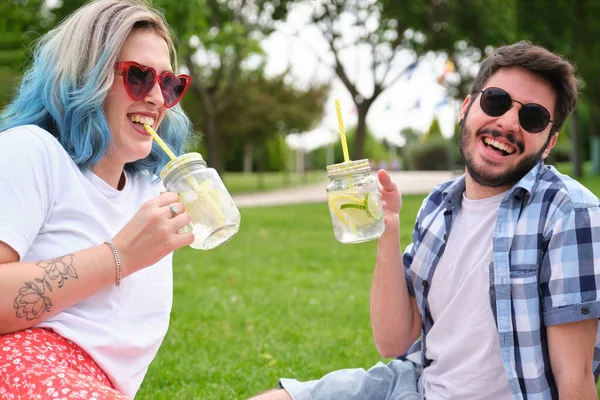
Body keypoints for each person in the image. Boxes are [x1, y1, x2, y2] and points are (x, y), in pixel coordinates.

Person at [250, 41, 600, 400]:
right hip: (414, 387)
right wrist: (388, 230)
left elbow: (574, 377)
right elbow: (392, 340)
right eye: (495, 101)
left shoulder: (568, 214)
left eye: (533, 117)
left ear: (549, 141)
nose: (508, 122)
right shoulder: (439, 204)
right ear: (467, 107)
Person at [0, 0, 196, 398]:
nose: (158, 98)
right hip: (20, 363)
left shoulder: (151, 190)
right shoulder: (32, 151)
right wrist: (120, 255)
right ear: (84, 78)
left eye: (170, 84)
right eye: (139, 77)